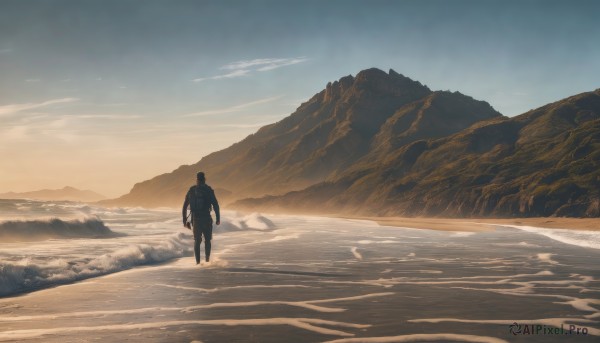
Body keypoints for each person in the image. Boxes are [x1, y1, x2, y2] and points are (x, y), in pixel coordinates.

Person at [182, 172, 220, 264]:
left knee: (197, 241)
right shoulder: (208, 190)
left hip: (195, 219)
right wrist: (218, 218)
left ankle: (197, 263)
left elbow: (184, 206)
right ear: (204, 179)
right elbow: (215, 205)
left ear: (197, 179)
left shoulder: (191, 190)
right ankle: (207, 261)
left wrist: (184, 220)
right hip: (206, 218)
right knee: (207, 240)